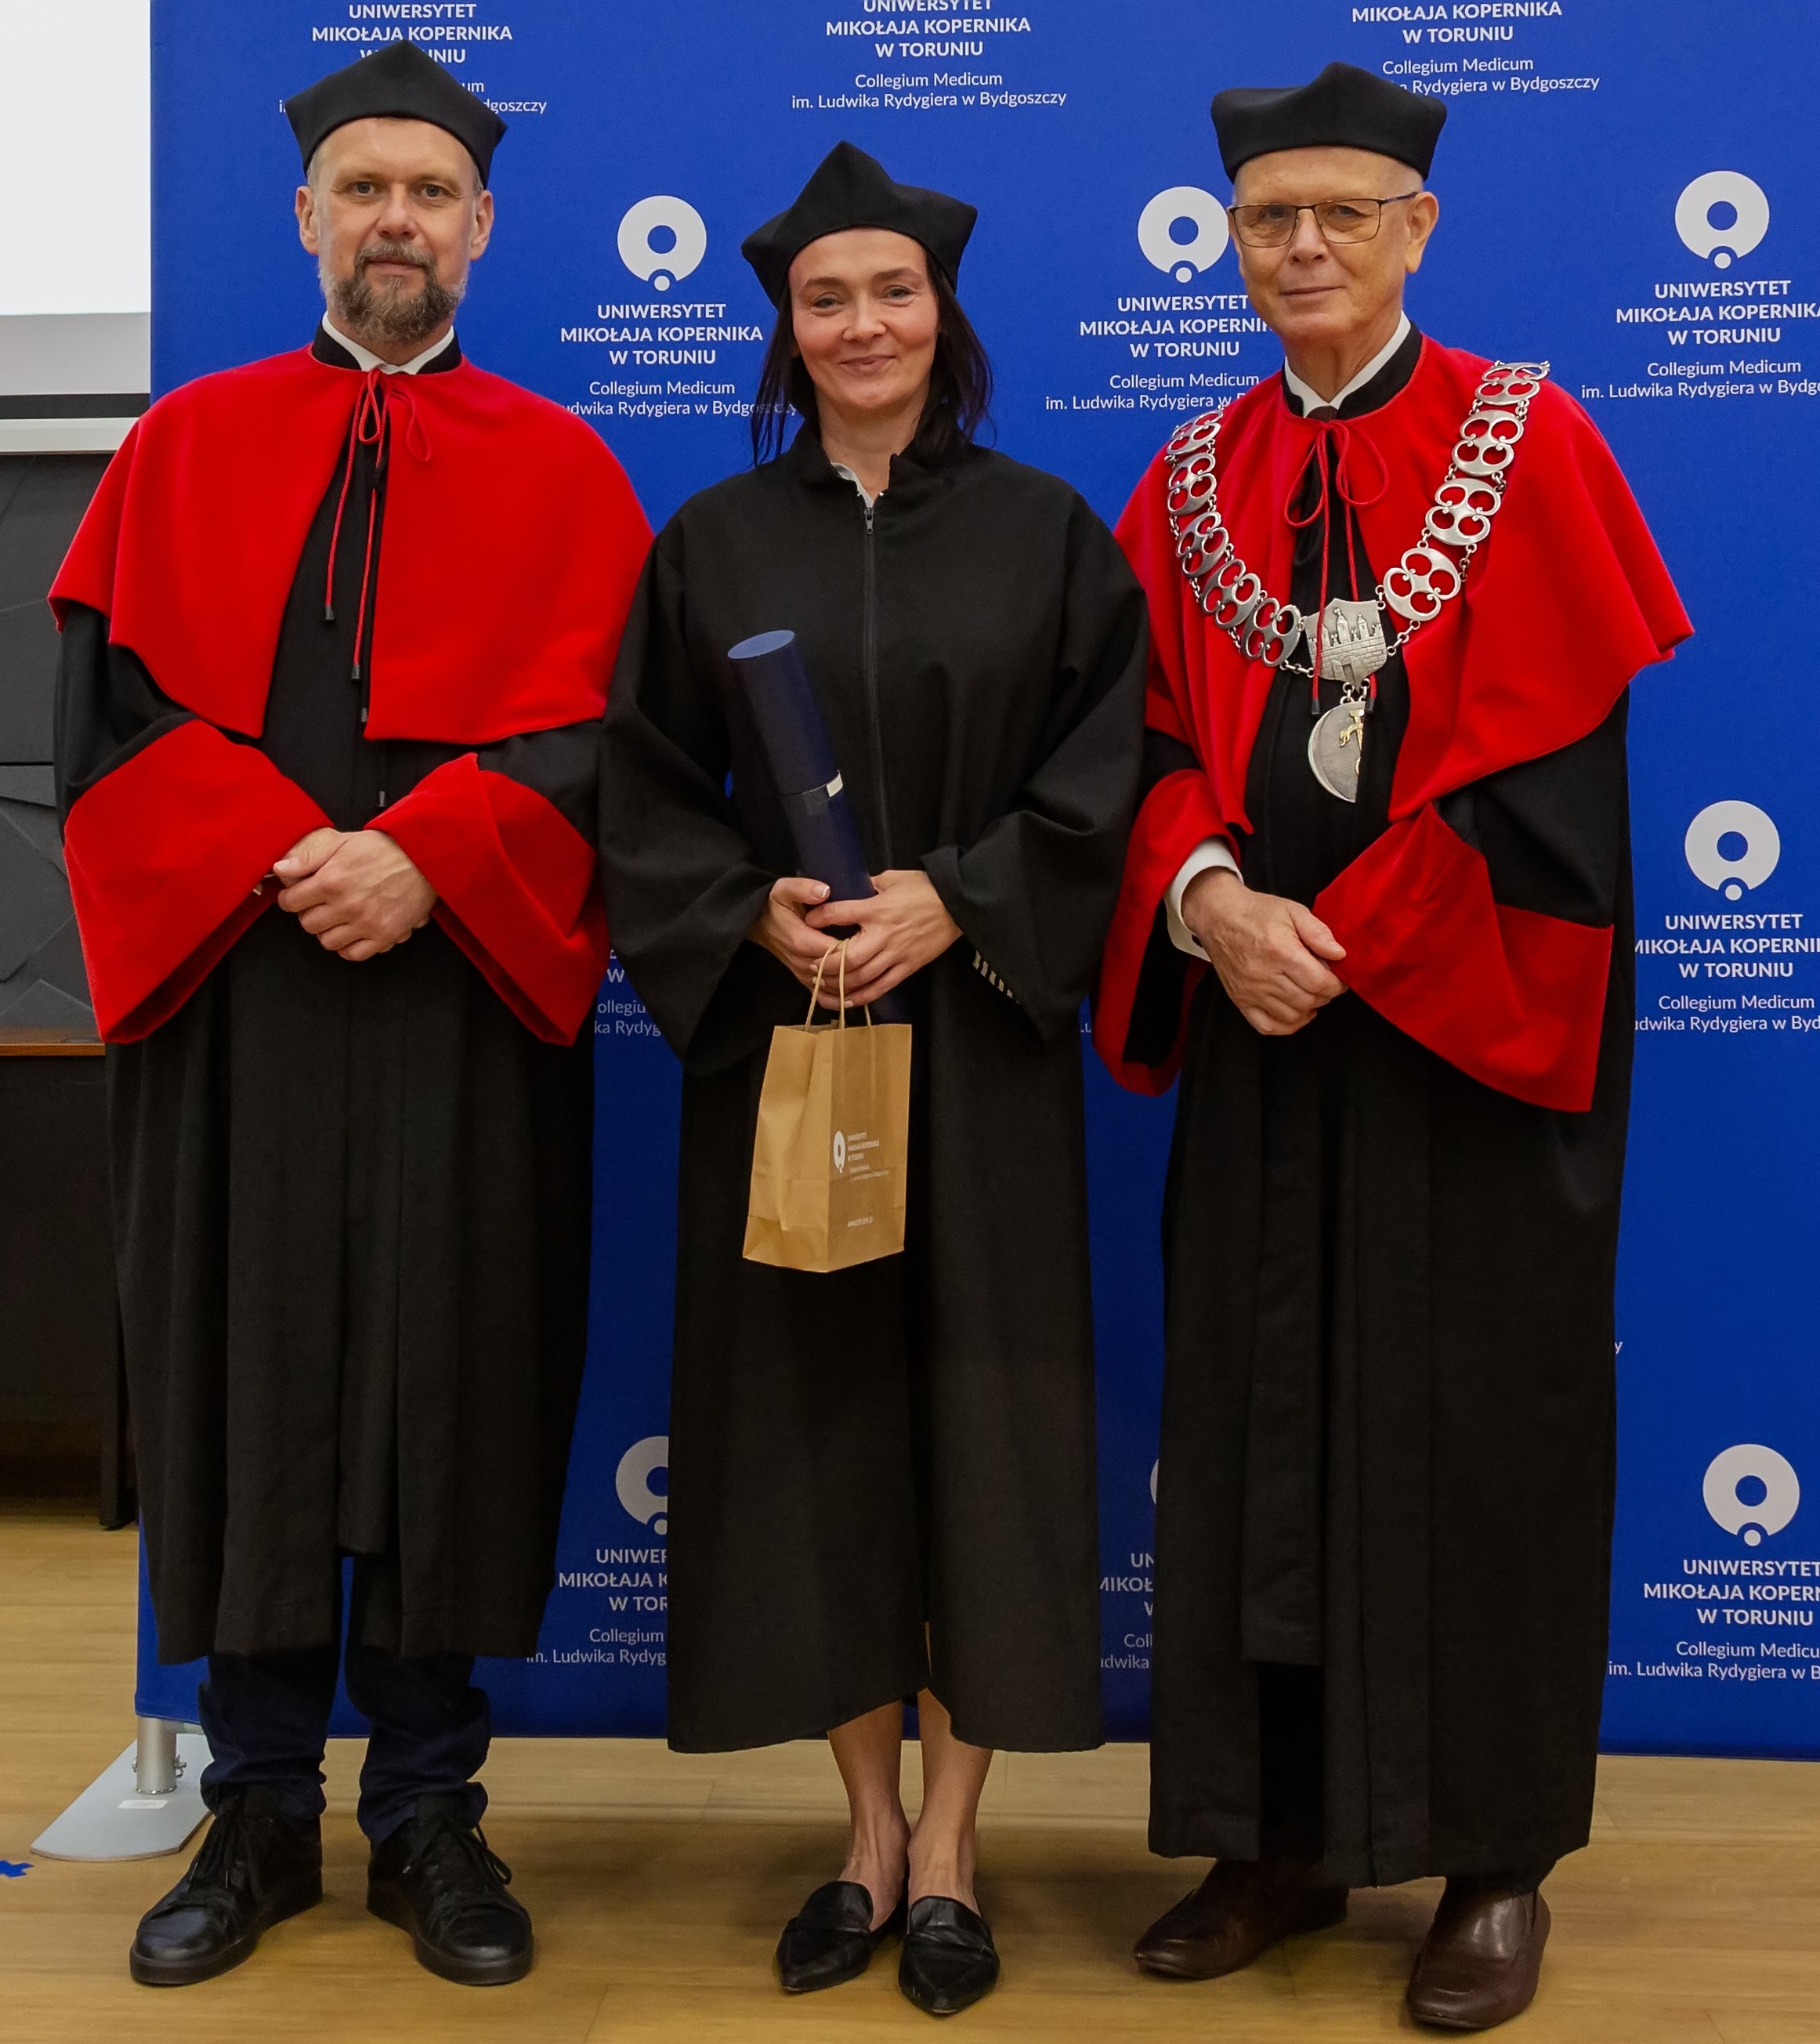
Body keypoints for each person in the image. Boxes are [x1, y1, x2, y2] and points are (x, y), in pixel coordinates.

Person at [1091, 63, 1692, 2033]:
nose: (1305, 248)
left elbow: (1556, 785)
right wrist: (1211, 906)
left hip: (1468, 1043)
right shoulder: (1194, 476)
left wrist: (1351, 937)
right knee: (1253, 1426)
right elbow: (1131, 751)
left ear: (1416, 228)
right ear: (1229, 241)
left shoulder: (1529, 439)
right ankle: (1268, 1838)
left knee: (1482, 1435)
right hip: (1262, 1031)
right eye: (1270, 219)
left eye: (1342, 213)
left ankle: (1492, 1858)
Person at [48, 40, 650, 1992]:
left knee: (447, 1382)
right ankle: (253, 1810)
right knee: (243, 1375)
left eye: (431, 193)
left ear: (483, 228)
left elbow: (611, 748)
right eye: (365, 189)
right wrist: (282, 852)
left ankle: (427, 1814)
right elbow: (108, 723)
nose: (398, 219)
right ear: (307, 216)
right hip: (239, 1002)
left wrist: (429, 854)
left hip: (460, 1006)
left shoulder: (565, 471)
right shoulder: (182, 447)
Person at [599, 142, 1146, 2019]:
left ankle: (956, 1847)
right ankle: (862, 1833)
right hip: (794, 1043)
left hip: (976, 1038)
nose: (861, 326)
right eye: (825, 300)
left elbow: (1107, 774)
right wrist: (745, 912)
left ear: (942, 313)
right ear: (786, 326)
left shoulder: (1046, 532)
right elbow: (642, 789)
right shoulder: (711, 540)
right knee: (817, 1425)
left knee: (980, 1426)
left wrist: (960, 897)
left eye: (891, 293)